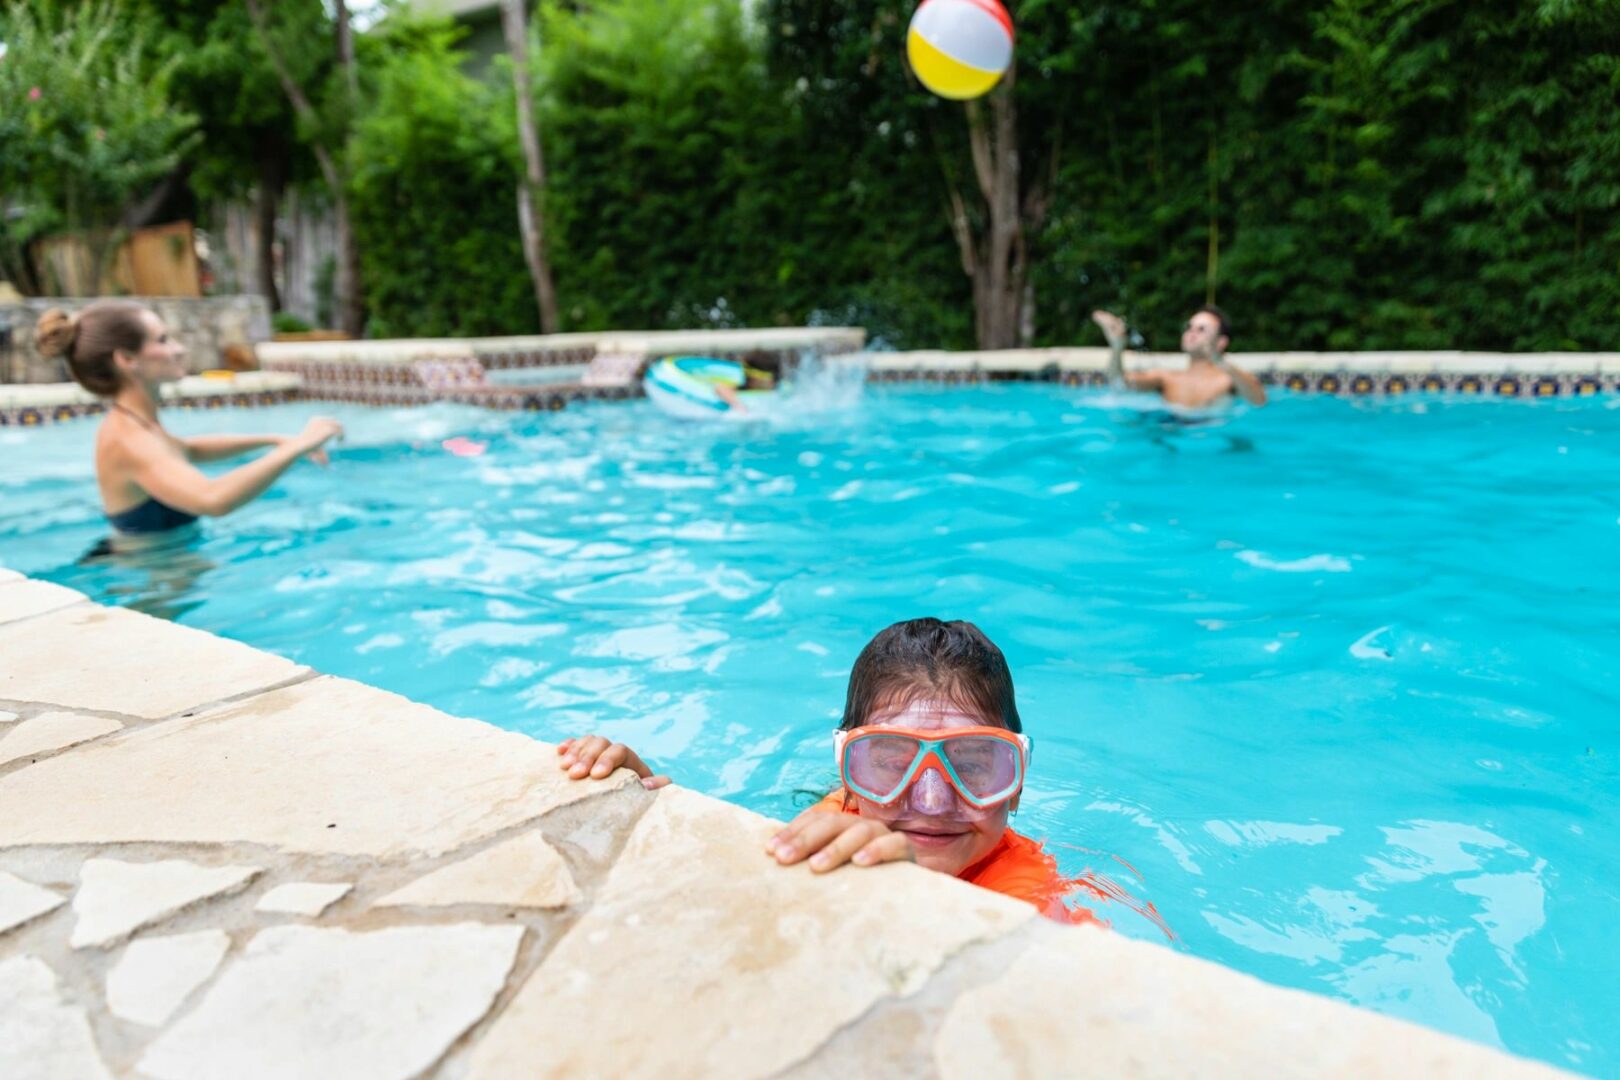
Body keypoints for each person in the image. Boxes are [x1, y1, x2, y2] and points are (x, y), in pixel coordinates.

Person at [558, 617, 1123, 925]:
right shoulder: (837, 818)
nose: (930, 800)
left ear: (1016, 785)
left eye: (974, 766)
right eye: (890, 762)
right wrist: (660, 808)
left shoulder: (1029, 901)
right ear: (850, 776)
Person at [34, 301, 343, 540]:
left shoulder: (136, 425)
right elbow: (213, 499)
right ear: (127, 360)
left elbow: (187, 450)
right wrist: (299, 445)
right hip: (146, 588)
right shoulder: (129, 439)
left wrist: (274, 439)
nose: (178, 349)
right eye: (163, 340)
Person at [1092, 305, 1266, 408]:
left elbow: (1258, 400)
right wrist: (1117, 347)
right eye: (1190, 327)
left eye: (1201, 329)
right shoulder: (1166, 378)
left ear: (1221, 342)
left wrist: (1220, 361)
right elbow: (1119, 383)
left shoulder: (1228, 381)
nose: (1192, 333)